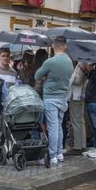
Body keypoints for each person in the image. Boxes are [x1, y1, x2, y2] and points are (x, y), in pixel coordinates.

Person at [34, 36, 73, 165]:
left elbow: (37, 76)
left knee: (53, 127)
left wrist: (47, 76)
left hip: (50, 97)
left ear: (53, 46)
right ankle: (59, 153)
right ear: (65, 46)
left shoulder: (50, 62)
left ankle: (52, 156)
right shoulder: (69, 61)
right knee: (59, 126)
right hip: (63, 98)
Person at [67, 61, 87, 154]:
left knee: (76, 121)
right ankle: (82, 144)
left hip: (76, 96)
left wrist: (70, 76)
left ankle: (77, 146)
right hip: (79, 96)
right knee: (80, 121)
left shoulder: (81, 63)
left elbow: (77, 81)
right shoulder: (83, 63)